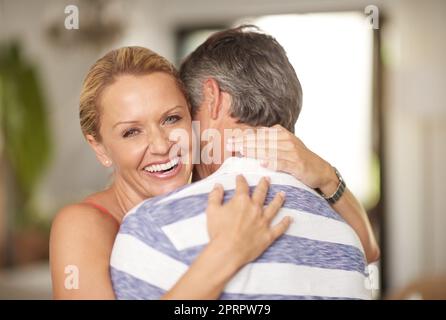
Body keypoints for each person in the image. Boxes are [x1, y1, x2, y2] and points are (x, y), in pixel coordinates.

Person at [50, 44, 342, 299]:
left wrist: (325, 174)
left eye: (171, 119)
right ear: (99, 148)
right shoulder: (82, 225)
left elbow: (364, 249)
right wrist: (225, 254)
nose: (162, 145)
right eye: (132, 132)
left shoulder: (213, 194)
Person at [110, 26, 379, 300]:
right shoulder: (347, 241)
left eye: (184, 115)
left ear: (212, 98)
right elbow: (371, 250)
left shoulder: (150, 227)